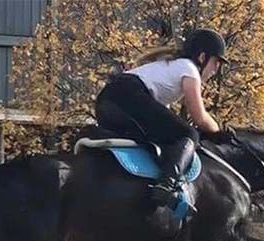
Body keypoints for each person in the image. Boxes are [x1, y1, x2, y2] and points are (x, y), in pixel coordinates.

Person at [95, 28, 227, 211]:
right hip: (128, 96)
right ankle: (166, 185)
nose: (215, 70)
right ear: (202, 57)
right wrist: (219, 132)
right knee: (190, 134)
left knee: (163, 138)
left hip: (105, 102)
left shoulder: (169, 68)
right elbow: (200, 118)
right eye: (216, 62)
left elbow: (164, 119)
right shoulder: (189, 69)